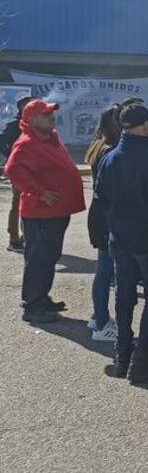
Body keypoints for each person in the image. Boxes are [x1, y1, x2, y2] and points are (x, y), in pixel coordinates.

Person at [94, 103, 148, 383]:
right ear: (143, 126)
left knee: (124, 296)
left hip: (120, 238)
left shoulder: (109, 158)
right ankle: (141, 359)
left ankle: (123, 355)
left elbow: (100, 199)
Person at [4, 99, 86, 324]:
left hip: (54, 212)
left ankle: (40, 298)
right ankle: (33, 306)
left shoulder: (48, 137)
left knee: (48, 257)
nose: (51, 117)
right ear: (31, 119)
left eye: (51, 113)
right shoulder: (27, 142)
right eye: (45, 114)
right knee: (39, 260)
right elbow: (13, 170)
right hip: (40, 213)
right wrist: (40, 192)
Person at [84, 104, 123, 342]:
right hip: (107, 214)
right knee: (106, 271)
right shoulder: (111, 149)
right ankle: (101, 323)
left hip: (99, 212)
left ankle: (98, 316)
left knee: (103, 271)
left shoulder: (98, 144)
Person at [1, 95, 33, 253]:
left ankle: (27, 236)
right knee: (17, 203)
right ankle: (14, 238)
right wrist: (10, 156)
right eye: (27, 103)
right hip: (19, 169)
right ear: (21, 106)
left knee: (32, 202)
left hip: (34, 169)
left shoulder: (36, 123)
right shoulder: (14, 125)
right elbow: (1, 141)